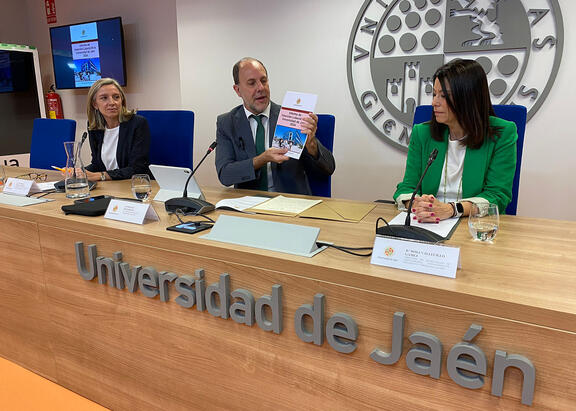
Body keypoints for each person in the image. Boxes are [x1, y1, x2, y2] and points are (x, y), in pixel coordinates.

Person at [393, 59, 518, 223]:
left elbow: (497, 195)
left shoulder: (502, 134)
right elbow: (407, 186)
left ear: (468, 98)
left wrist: (451, 210)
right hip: (427, 222)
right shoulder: (422, 133)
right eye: (434, 94)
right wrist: (417, 205)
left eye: (444, 96)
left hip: (475, 224)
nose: (434, 103)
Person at [215, 57, 335, 195]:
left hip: (290, 203)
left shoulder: (291, 117)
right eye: (252, 83)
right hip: (248, 204)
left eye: (263, 81)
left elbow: (329, 168)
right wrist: (262, 159)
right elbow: (225, 175)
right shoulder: (227, 123)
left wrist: (312, 145)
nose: (260, 88)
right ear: (238, 90)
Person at [84, 78, 151, 182]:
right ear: (95, 104)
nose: (112, 102)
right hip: (108, 186)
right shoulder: (94, 127)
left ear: (122, 101)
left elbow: (137, 169)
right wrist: (80, 172)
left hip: (132, 185)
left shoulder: (137, 124)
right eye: (104, 98)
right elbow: (97, 164)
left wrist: (101, 176)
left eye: (116, 97)